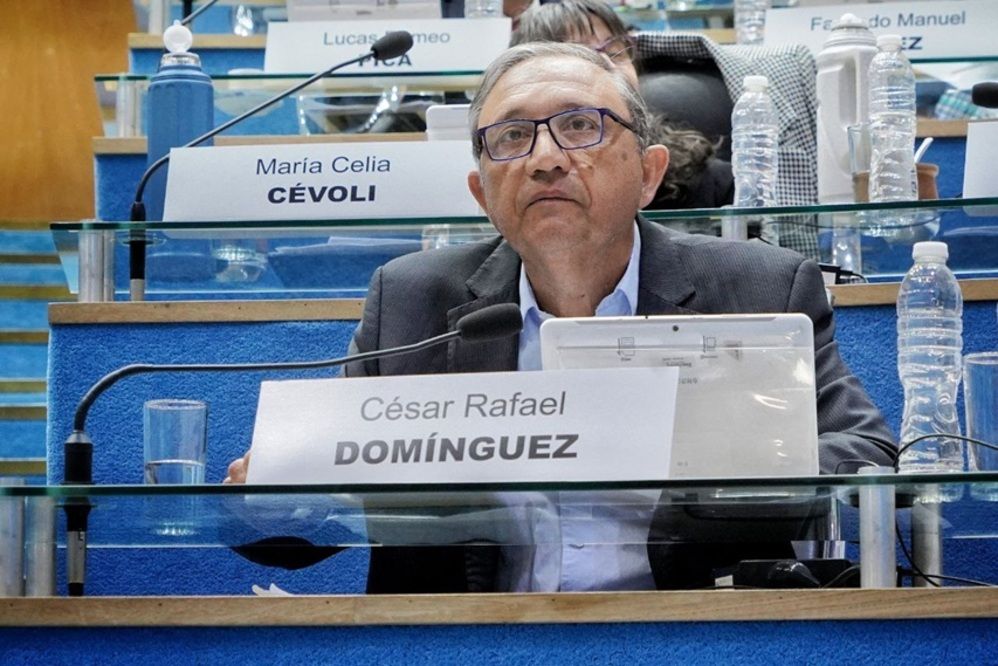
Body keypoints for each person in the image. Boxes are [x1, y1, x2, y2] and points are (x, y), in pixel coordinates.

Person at [227, 43, 896, 592]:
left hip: (691, 634)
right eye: (512, 136)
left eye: (580, 126)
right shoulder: (413, 302)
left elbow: (867, 457)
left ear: (648, 174)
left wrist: (712, 460)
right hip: (472, 643)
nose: (545, 158)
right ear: (482, 194)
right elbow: (303, 531)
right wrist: (276, 495)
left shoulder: (760, 287)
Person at [511, 0, 734, 210]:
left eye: (614, 51)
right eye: (583, 56)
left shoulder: (703, 177)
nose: (608, 64)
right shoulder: (526, 184)